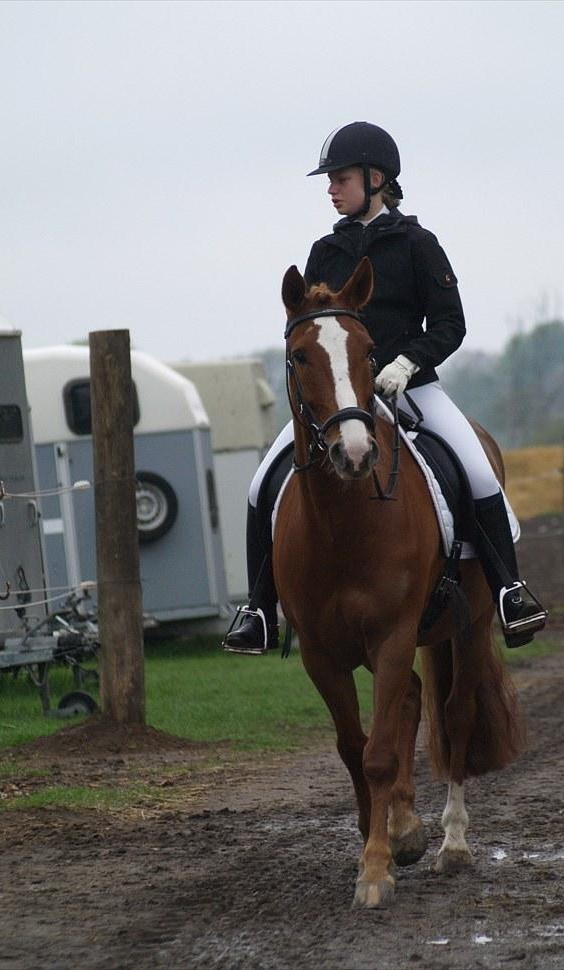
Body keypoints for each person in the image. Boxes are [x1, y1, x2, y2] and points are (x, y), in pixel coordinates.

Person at [223, 122, 547, 655]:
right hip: (336, 399)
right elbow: (310, 321)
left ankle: (510, 591)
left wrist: (406, 364)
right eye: (329, 181)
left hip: (410, 388)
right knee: (261, 485)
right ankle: (259, 609)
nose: (331, 189)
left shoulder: (419, 244)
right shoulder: (324, 250)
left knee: (479, 472)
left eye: (340, 179)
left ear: (376, 179)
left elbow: (450, 324)